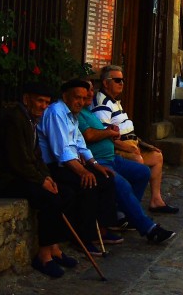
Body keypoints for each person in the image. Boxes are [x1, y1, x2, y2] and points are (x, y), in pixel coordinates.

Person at [0, 82, 77, 278]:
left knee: (64, 191)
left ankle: (54, 247)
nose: (44, 106)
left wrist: (47, 177)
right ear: (27, 100)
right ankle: (43, 256)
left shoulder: (30, 120)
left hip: (21, 176)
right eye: (40, 101)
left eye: (47, 102)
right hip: (4, 180)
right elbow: (18, 161)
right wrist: (41, 181)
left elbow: (36, 156)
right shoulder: (15, 120)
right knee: (48, 198)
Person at [78, 81, 176, 244]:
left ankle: (125, 216)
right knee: (122, 184)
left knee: (142, 172)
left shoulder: (88, 110)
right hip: (98, 161)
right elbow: (89, 135)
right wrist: (109, 133)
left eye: (90, 91)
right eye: (84, 92)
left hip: (112, 158)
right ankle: (149, 229)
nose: (90, 94)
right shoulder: (80, 113)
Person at [37, 79, 119, 254]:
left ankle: (102, 229)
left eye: (83, 98)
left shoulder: (73, 114)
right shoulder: (56, 113)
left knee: (106, 177)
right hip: (54, 166)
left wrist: (96, 165)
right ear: (65, 96)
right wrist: (83, 172)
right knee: (89, 184)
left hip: (71, 163)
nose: (81, 102)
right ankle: (83, 237)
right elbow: (62, 151)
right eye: (77, 97)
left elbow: (81, 145)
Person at [92, 65, 177, 213]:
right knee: (138, 162)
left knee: (156, 156)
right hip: (117, 150)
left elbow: (127, 131)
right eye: (117, 80)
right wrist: (127, 148)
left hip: (131, 146)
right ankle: (128, 209)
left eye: (122, 80)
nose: (121, 83)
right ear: (106, 83)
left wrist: (144, 145)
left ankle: (156, 200)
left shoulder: (114, 102)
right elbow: (104, 134)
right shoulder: (103, 104)